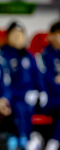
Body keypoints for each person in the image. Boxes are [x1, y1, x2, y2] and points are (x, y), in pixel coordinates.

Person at [0, 22, 46, 149]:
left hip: (31, 97)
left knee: (28, 104)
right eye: (14, 34)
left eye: (21, 34)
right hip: (13, 97)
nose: (18, 38)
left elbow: (38, 76)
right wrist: (23, 94)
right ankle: (20, 138)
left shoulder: (29, 55)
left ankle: (28, 138)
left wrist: (42, 92)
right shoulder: (2, 55)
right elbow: (5, 83)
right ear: (7, 36)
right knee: (19, 106)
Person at [40, 21, 60, 150]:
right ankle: (54, 143)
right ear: (51, 36)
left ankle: (54, 142)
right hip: (46, 101)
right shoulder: (43, 56)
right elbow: (49, 85)